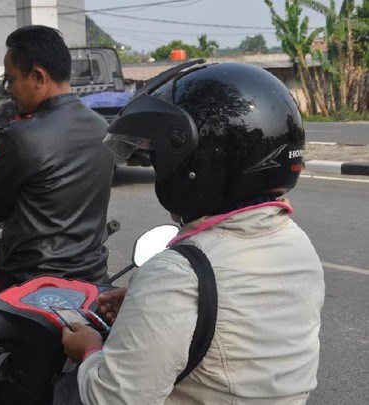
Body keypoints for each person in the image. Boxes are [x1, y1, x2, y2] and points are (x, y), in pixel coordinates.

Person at [61, 61, 325, 404]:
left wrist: (89, 350)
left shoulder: (177, 274)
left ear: (196, 163)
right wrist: (148, 303)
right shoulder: (295, 242)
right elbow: (244, 323)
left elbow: (113, 398)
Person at [0, 25, 115, 288]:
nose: (9, 89)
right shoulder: (101, 127)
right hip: (93, 280)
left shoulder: (21, 135)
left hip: (34, 287)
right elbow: (52, 179)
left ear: (37, 76)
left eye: (11, 80)